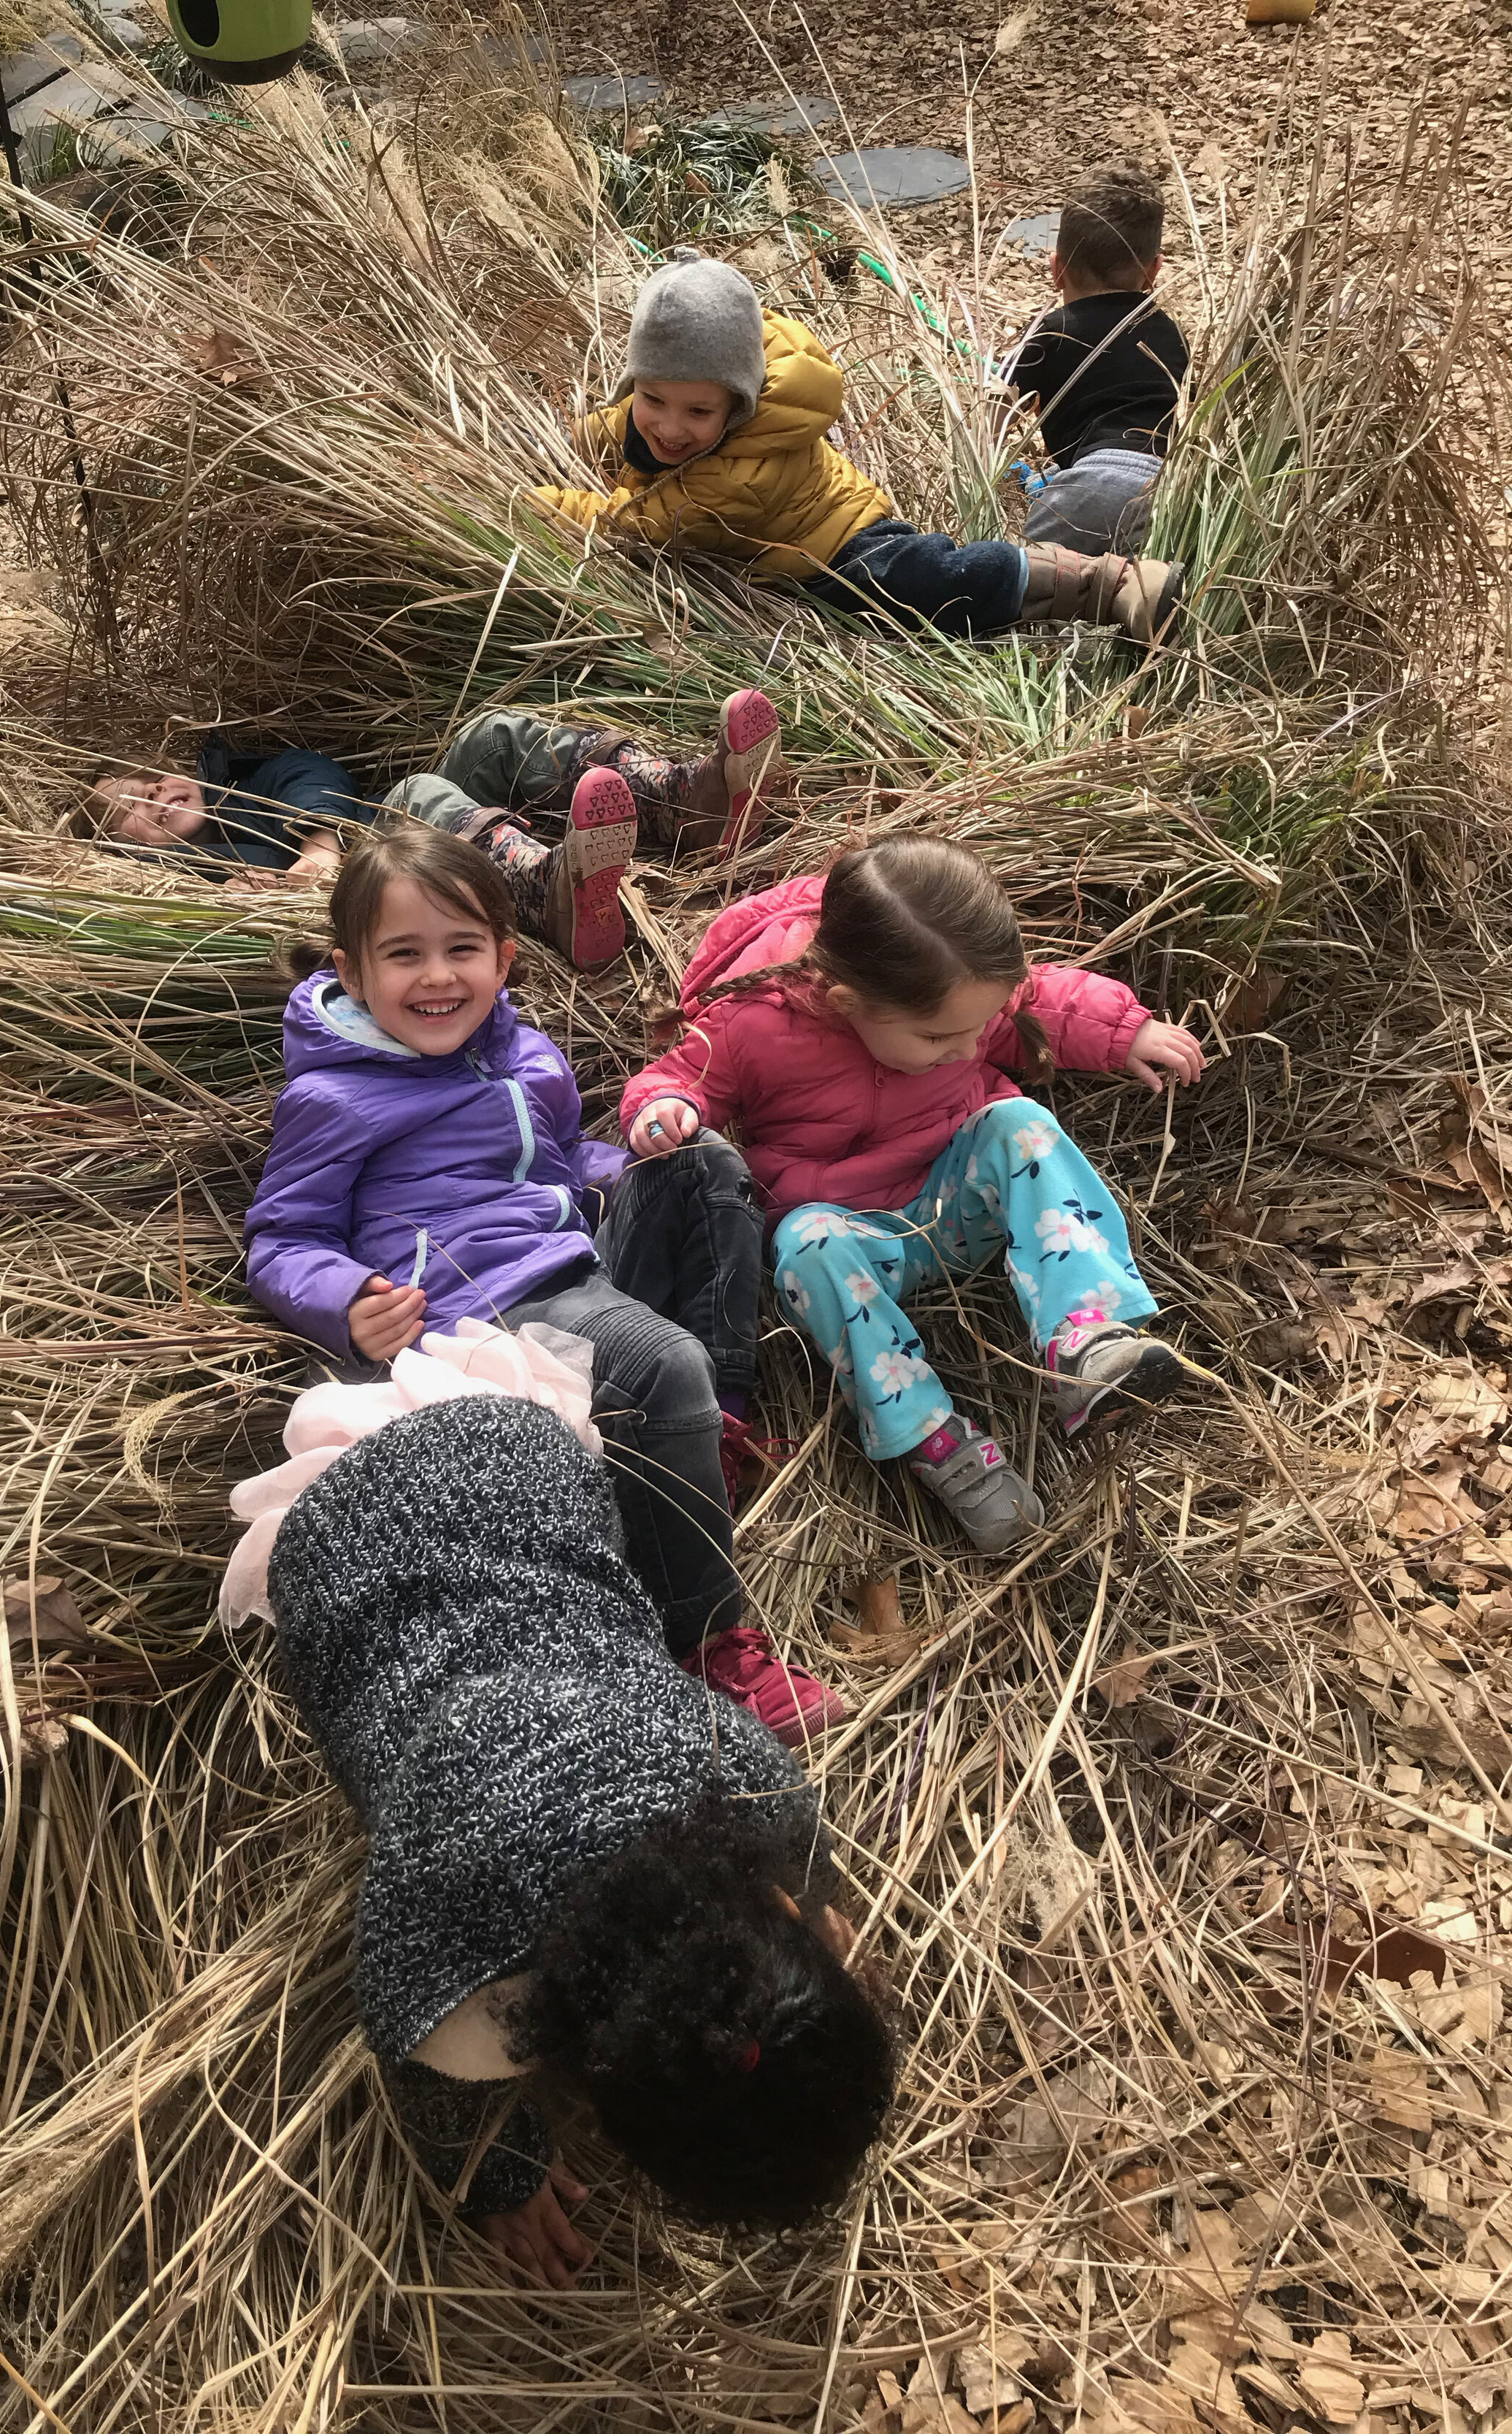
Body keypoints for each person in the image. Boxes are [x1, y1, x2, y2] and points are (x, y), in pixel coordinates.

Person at [266, 1391, 894, 2282]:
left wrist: (820, 1932)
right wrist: (496, 2172)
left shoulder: (758, 1786)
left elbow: (811, 1882)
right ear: (598, 2095)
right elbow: (425, 2074)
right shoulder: (458, 2002)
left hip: (523, 1457)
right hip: (334, 1557)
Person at [243, 822, 843, 1740]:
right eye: (404, 956)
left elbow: (559, 1162)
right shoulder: (333, 1095)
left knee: (708, 1165)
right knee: (661, 1363)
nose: (438, 977)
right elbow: (284, 1237)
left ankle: (714, 1424)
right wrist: (344, 1303)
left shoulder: (525, 1055)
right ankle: (708, 1644)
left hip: (574, 1259)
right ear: (353, 973)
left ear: (504, 958)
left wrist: (633, 1156)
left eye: (461, 950)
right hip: (480, 1308)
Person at [618, 838, 1205, 1555]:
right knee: (801, 1242)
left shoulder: (955, 993)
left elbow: (1043, 999)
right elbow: (682, 1075)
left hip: (960, 1202)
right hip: (859, 1240)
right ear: (847, 1000)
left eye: (976, 1029)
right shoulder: (752, 1027)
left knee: (1018, 1123)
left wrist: (1122, 1030)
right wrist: (664, 1111)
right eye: (938, 1037)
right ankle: (941, 1447)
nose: (967, 1049)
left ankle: (1084, 1341)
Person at [534, 249, 1187, 648]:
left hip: (838, 548)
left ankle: (1107, 583)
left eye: (698, 412)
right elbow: (618, 424)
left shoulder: (737, 477)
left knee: (939, 584)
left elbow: (629, 524)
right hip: (804, 537)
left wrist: (539, 503)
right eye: (654, 400)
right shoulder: (673, 400)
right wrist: (574, 437)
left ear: (740, 403)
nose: (669, 428)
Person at [383, 686, 783, 971]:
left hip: (329, 813)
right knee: (415, 794)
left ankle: (682, 800)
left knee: (491, 737)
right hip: (355, 843)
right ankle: (543, 888)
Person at [1008, 167, 1191, 556]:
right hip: (1167, 490)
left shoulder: (1050, 333)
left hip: (1086, 491)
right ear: (1154, 271)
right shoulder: (1171, 334)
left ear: (1057, 269)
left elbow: (992, 414)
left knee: (1038, 585)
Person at [88, 733, 370, 889]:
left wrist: (318, 843)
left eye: (157, 778)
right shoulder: (180, 884)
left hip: (380, 833)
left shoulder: (240, 786)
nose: (154, 791)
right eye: (127, 806)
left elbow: (308, 772)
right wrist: (234, 897)